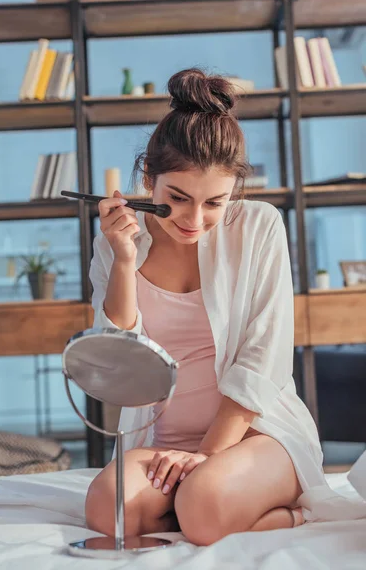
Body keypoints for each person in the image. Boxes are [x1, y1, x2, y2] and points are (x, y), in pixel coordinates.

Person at [86, 68, 323, 546]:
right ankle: (205, 512)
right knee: (105, 511)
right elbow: (117, 362)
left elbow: (265, 356)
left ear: (234, 189)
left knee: (203, 505)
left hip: (255, 433)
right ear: (148, 178)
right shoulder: (116, 242)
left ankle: (285, 515)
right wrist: (124, 263)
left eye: (214, 202)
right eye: (177, 199)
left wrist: (208, 455)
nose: (195, 220)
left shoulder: (258, 227)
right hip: (166, 439)